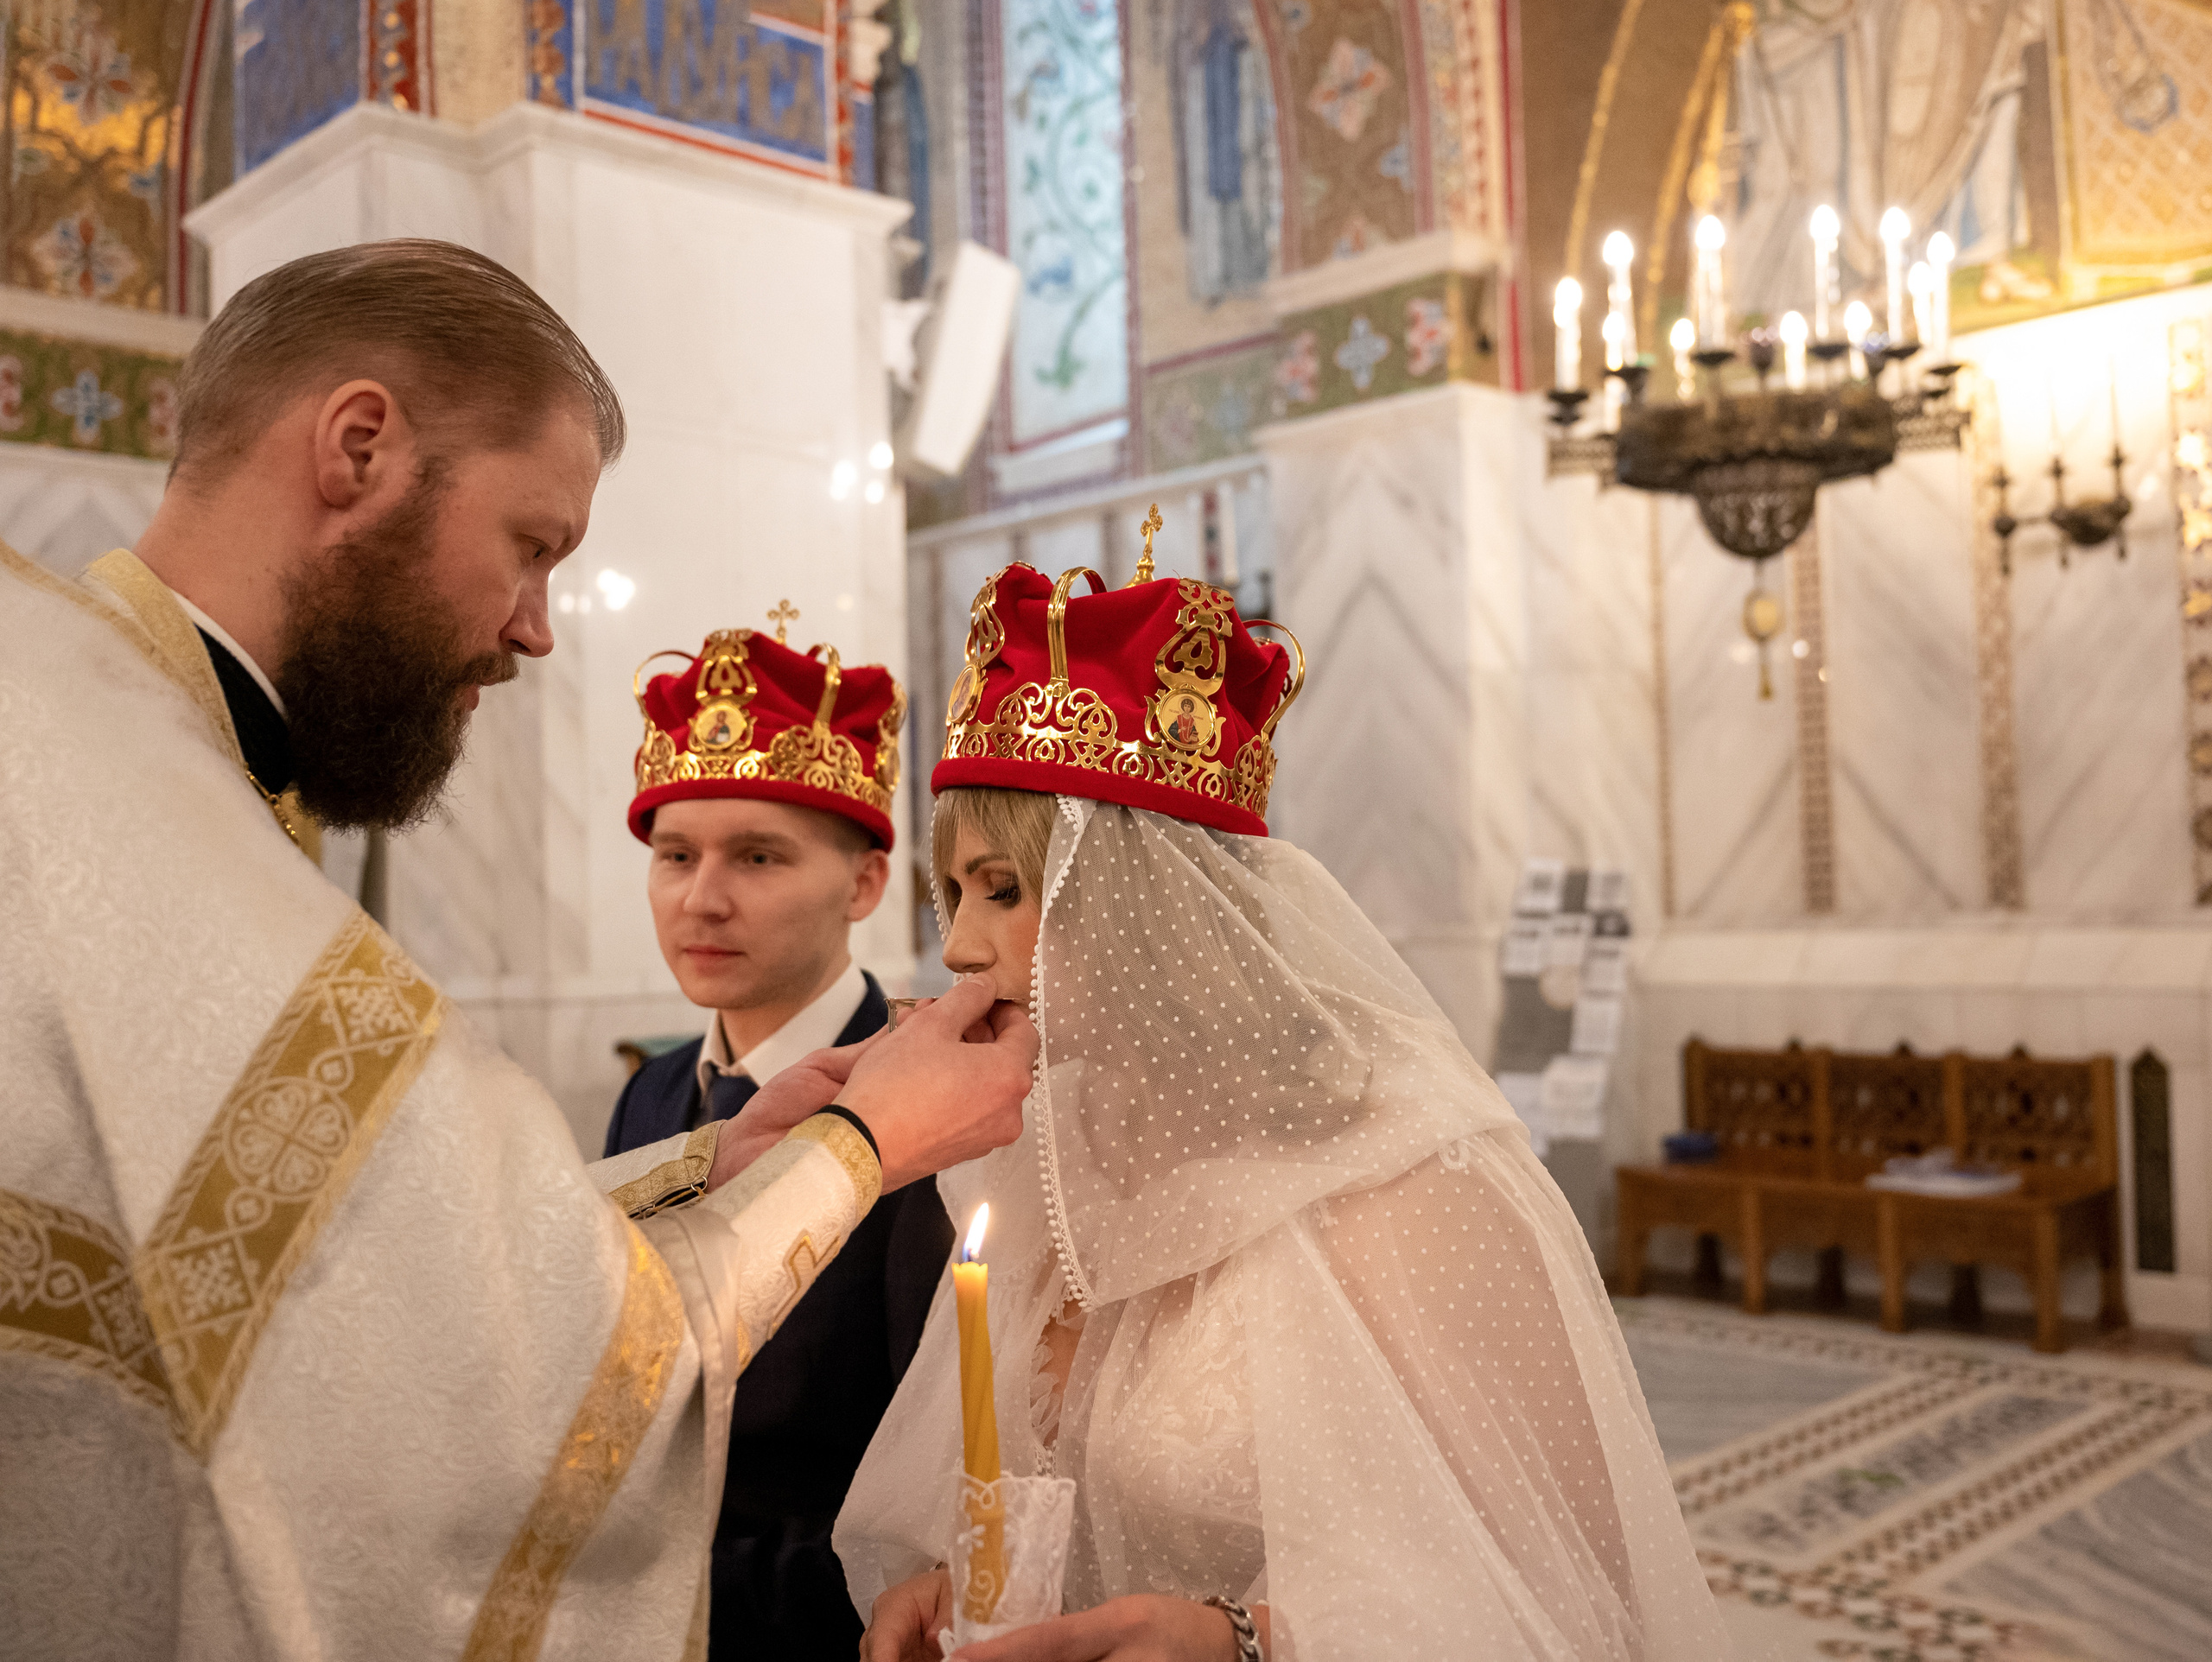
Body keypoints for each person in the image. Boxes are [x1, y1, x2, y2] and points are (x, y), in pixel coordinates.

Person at [0, 238, 1033, 1661]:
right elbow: (526, 1391)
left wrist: (702, 1169)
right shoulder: (150, 819)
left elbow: (313, 1275)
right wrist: (858, 1145)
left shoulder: (74, 729)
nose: (538, 629)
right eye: (532, 543)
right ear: (359, 448)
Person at [836, 565, 1728, 1659]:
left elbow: (1576, 1589)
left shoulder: (1410, 1178)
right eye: (956, 892)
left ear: (1144, 893)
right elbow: (1039, 1485)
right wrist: (968, 1581)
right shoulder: (1042, 1157)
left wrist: (1246, 1642)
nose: (961, 944)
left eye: (1006, 888)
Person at [606, 623, 956, 1659]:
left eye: (757, 855)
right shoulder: (655, 1092)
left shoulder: (926, 1099)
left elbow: (931, 1475)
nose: (701, 898)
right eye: (675, 855)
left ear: (862, 885)